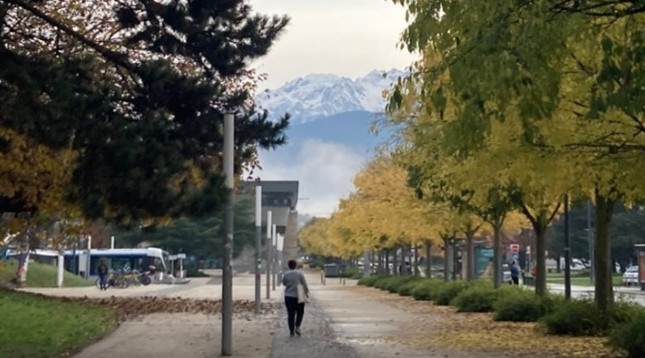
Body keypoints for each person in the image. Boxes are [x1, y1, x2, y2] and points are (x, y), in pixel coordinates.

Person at [281, 259, 309, 337]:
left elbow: (284, 283)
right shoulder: (300, 274)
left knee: (290, 314)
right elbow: (304, 284)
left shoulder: (286, 274)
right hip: (299, 297)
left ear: (289, 266)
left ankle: (291, 331)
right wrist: (306, 292)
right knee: (300, 312)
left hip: (288, 296)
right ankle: (297, 326)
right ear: (295, 265)